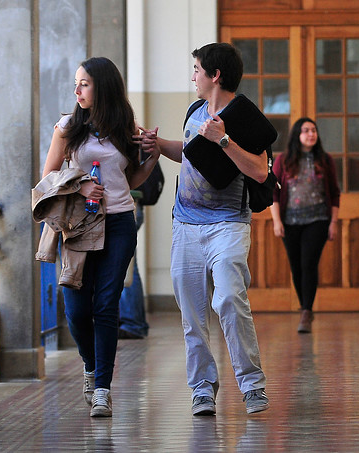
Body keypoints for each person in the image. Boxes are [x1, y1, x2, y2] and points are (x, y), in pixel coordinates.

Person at [136, 42, 269, 416]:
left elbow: (260, 171)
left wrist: (223, 139)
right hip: (186, 225)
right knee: (191, 313)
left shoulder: (245, 118)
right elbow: (190, 153)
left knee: (228, 299)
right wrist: (157, 144)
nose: (192, 76)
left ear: (215, 75)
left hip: (228, 224)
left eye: (196, 69)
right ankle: (202, 388)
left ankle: (252, 384)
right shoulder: (195, 110)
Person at [41, 57, 161, 417]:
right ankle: (91, 367)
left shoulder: (126, 128)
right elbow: (47, 177)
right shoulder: (66, 128)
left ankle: (103, 390)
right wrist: (80, 186)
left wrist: (152, 157)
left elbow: (133, 179)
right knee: (76, 309)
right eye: (76, 83)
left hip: (120, 222)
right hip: (78, 226)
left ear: (103, 87)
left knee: (106, 304)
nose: (77, 90)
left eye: (85, 84)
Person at [269, 118, 341, 333]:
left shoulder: (325, 160)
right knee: (296, 266)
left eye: (314, 130)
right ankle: (305, 307)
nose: (311, 134)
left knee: (309, 263)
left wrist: (334, 222)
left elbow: (335, 193)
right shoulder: (283, 160)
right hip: (289, 222)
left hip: (318, 220)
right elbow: (273, 191)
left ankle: (306, 311)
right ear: (297, 135)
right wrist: (276, 221)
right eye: (306, 130)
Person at [118, 200, 149, 339]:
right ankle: (134, 322)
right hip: (130, 205)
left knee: (125, 267)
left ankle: (132, 323)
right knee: (127, 266)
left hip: (123, 205)